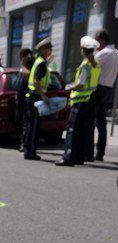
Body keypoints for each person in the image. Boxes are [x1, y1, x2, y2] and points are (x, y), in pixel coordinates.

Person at [56, 36, 101, 167]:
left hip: (80, 101)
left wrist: (69, 87)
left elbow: (80, 84)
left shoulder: (85, 65)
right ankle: (79, 157)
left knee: (72, 129)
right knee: (83, 130)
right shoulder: (97, 65)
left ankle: (68, 157)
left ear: (83, 50)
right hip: (90, 100)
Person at [89, 29, 118, 161]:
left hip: (98, 88)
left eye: (96, 41)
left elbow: (90, 65)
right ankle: (100, 153)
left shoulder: (104, 53)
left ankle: (89, 151)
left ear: (102, 40)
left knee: (90, 120)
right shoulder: (116, 53)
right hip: (109, 88)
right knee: (101, 122)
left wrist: (93, 52)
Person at [23, 38, 53, 160]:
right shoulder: (41, 63)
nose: (50, 51)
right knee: (34, 126)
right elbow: (36, 81)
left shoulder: (39, 61)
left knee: (31, 125)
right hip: (35, 97)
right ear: (43, 50)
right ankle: (31, 152)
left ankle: (28, 150)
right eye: (49, 49)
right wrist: (43, 95)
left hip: (32, 96)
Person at [16, 47, 34, 152]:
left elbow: (27, 76)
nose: (20, 59)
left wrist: (23, 64)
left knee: (26, 123)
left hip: (27, 98)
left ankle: (24, 144)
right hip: (21, 99)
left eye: (21, 56)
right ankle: (23, 142)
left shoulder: (28, 66)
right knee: (22, 122)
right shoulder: (23, 66)